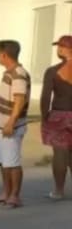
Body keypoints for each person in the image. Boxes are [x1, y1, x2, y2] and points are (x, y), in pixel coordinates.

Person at [0, 39, 31, 208]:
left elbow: (19, 99)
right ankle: (5, 192)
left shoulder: (18, 73)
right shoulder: (9, 72)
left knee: (12, 162)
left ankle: (15, 196)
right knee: (3, 162)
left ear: (4, 55)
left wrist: (11, 122)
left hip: (9, 127)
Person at [40, 35, 72, 200]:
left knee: (60, 152)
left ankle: (59, 190)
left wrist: (44, 116)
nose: (58, 49)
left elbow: (46, 97)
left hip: (60, 113)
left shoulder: (53, 71)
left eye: (62, 46)